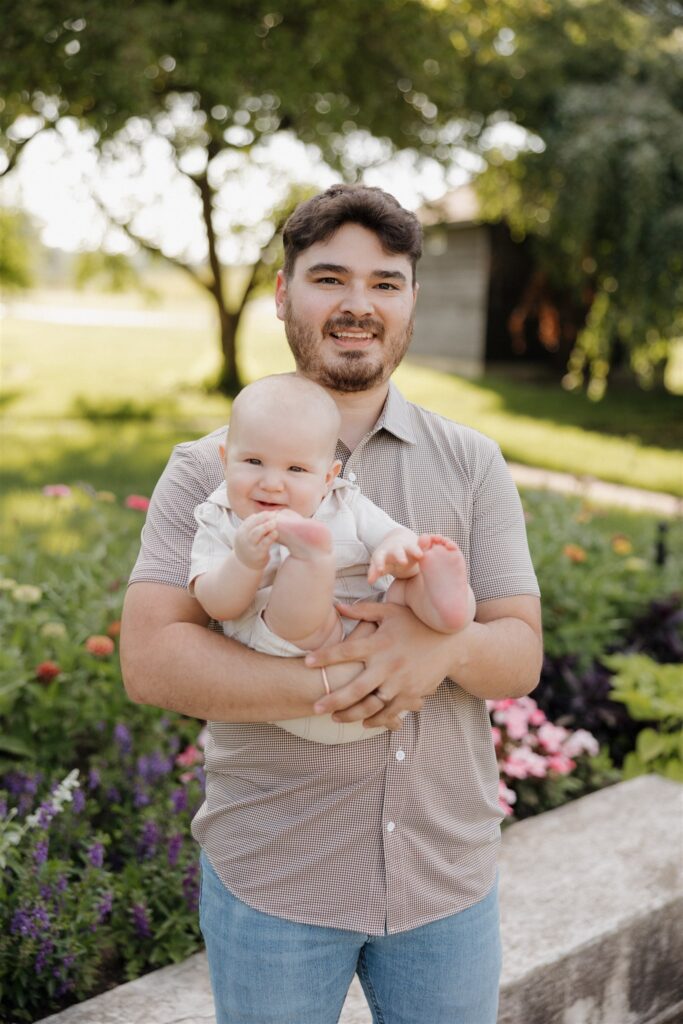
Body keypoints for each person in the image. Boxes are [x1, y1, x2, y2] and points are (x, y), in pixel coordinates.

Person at [121, 183, 542, 1024]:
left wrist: (440, 651)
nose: (359, 305)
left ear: (411, 300)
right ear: (283, 294)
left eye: (385, 282)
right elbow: (151, 659)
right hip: (275, 874)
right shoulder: (207, 468)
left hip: (444, 879)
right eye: (330, 279)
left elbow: (519, 654)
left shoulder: (471, 462)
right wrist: (348, 683)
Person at [189, 372, 475, 744]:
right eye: (254, 461)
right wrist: (244, 560)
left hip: (388, 640)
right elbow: (217, 604)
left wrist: (397, 550)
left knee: (407, 583)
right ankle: (308, 559)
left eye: (296, 469)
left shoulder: (344, 500)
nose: (272, 483)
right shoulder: (220, 517)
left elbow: (389, 533)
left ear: (328, 477)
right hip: (303, 654)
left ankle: (448, 608)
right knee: (302, 621)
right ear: (226, 460)